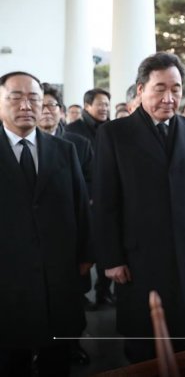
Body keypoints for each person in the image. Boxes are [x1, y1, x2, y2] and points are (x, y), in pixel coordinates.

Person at [92, 52, 185, 363]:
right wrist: (112, 259)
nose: (169, 97)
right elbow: (105, 202)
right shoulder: (114, 134)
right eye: (160, 88)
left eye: (175, 89)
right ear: (140, 90)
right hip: (138, 259)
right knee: (144, 344)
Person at [0, 71, 91, 376]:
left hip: (58, 279)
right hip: (8, 285)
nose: (26, 105)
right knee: (12, 362)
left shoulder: (65, 151)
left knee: (57, 362)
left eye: (34, 98)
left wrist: (85, 256)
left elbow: (80, 207)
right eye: (16, 96)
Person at [66, 87, 115, 306]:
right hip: (84, 199)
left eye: (107, 104)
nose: (104, 108)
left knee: (106, 244)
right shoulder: (73, 131)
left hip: (106, 197)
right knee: (83, 247)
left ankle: (103, 290)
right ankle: (80, 294)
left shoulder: (113, 129)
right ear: (87, 106)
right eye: (100, 104)